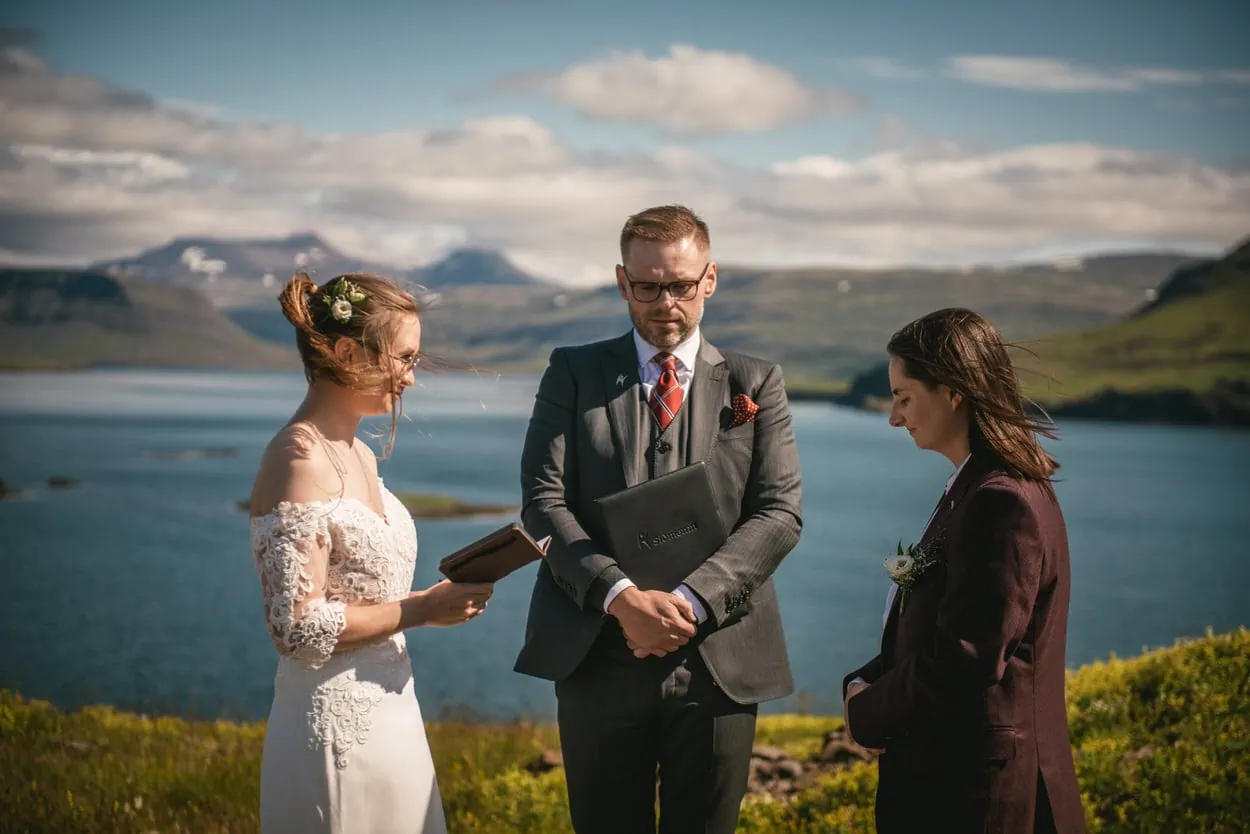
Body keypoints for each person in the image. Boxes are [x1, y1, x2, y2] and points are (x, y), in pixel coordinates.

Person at [514, 205, 803, 833]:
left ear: (710, 279)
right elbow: (541, 502)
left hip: (720, 659)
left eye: (680, 285)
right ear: (622, 282)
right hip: (597, 657)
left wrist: (692, 602)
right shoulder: (572, 372)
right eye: (646, 287)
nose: (665, 303)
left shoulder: (758, 382)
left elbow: (779, 512)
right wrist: (620, 598)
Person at [248, 271, 493, 834]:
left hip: (394, 718)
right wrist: (422, 610)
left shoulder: (358, 452)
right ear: (345, 352)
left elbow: (362, 596)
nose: (410, 376)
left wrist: (432, 602)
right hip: (334, 731)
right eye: (402, 358)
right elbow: (295, 628)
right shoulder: (297, 460)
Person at [842, 308, 1085, 832]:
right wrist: (863, 681)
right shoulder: (980, 487)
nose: (894, 417)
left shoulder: (1001, 501)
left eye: (905, 398)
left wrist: (867, 712)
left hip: (980, 797)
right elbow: (947, 627)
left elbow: (967, 657)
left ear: (953, 392)